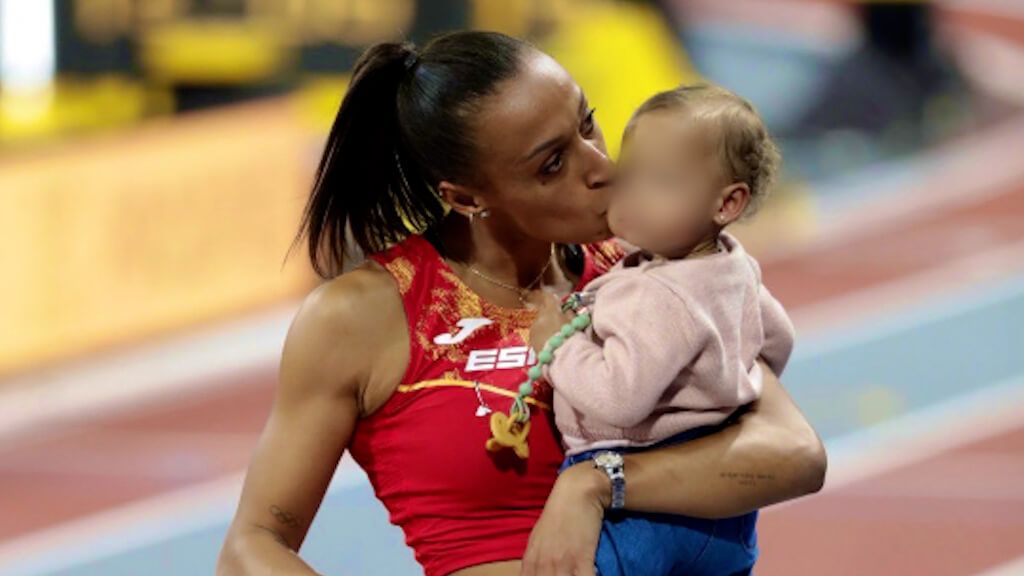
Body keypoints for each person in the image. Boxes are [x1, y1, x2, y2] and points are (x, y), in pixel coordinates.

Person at [216, 31, 826, 576]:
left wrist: (596, 484)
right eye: (552, 163)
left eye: (588, 124)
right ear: (465, 197)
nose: (602, 168)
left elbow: (794, 454)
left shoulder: (650, 268)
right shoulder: (365, 315)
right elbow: (251, 546)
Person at [525, 84, 794, 575]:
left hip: (643, 507)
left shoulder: (661, 294)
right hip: (722, 506)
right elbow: (776, 339)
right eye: (630, 178)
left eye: (663, 183)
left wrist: (557, 350)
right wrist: (721, 381)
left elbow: (619, 398)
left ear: (727, 203)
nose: (634, 198)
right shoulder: (735, 268)